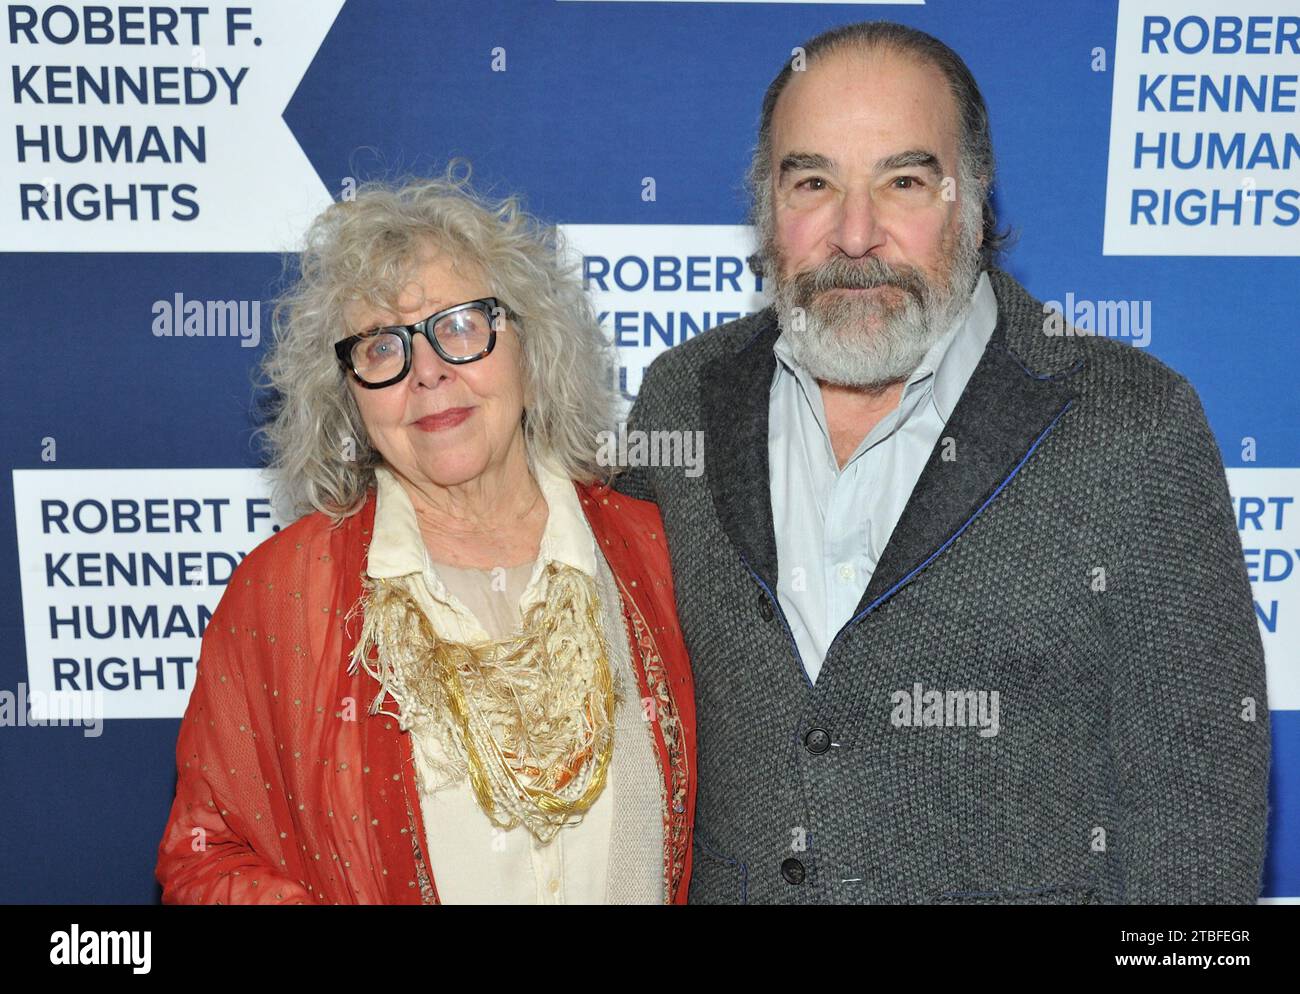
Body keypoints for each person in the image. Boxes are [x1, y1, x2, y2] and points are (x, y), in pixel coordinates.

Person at [616, 21, 1269, 903]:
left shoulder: (1133, 424)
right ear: (767, 206)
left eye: (905, 181)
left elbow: (1198, 816)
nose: (856, 234)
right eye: (813, 181)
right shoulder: (682, 399)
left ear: (973, 198)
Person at [155, 168, 696, 904]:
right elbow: (205, 856)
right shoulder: (284, 595)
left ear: (532, 354)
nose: (429, 373)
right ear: (347, 401)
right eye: (381, 348)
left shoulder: (657, 555)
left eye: (463, 326)